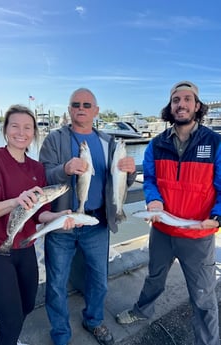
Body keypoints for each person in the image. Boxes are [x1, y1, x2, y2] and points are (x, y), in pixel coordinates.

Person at [116, 81, 221, 345]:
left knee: (203, 296)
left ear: (197, 106)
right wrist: (153, 201)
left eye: (187, 99)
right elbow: (149, 179)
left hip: (198, 234)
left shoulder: (215, 142)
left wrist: (217, 216)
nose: (181, 104)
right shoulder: (156, 144)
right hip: (162, 231)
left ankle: (207, 341)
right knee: (154, 278)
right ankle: (142, 311)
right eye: (176, 100)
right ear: (170, 106)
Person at [0, 104, 75, 345]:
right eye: (14, 125)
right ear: (5, 129)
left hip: (25, 248)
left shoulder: (37, 168)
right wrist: (16, 201)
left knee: (26, 306)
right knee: (11, 321)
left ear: (35, 132)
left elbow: (40, 214)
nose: (21, 132)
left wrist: (59, 218)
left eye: (28, 127)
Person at [39, 88, 136, 345]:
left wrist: (130, 171)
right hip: (62, 223)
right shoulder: (54, 140)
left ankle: (93, 320)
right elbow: (42, 176)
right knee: (56, 284)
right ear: (69, 109)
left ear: (96, 111)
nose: (80, 108)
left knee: (99, 280)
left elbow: (118, 180)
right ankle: (60, 333)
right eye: (75, 104)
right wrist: (65, 169)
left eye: (86, 104)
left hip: (97, 223)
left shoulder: (109, 142)